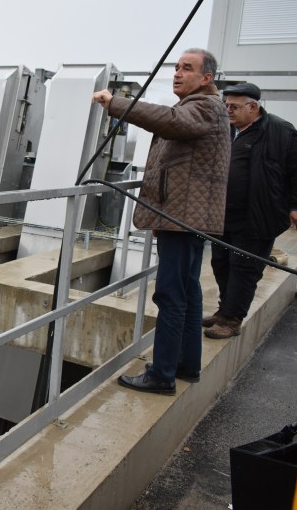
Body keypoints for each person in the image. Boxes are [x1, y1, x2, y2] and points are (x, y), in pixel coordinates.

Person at [92, 48, 231, 395]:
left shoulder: (205, 106)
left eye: (187, 68)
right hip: (183, 216)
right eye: (176, 67)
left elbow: (168, 121)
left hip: (183, 218)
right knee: (188, 291)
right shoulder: (203, 106)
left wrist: (116, 104)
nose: (177, 73)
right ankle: (186, 365)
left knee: (171, 294)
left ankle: (162, 373)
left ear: (206, 78)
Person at [203, 82, 297, 339]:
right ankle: (224, 311)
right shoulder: (226, 131)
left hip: (258, 214)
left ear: (253, 107)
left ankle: (232, 320)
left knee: (245, 268)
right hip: (222, 215)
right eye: (226, 105)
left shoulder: (279, 130)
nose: (228, 110)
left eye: (234, 106)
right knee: (221, 264)